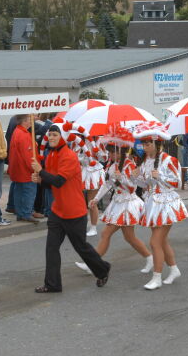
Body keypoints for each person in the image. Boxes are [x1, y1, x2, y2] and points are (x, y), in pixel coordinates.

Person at [32, 120, 110, 293]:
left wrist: (41, 172)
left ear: (62, 137)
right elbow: (51, 184)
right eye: (50, 134)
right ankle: (52, 284)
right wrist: (40, 180)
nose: (51, 137)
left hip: (74, 211)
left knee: (81, 247)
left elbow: (59, 181)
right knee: (51, 247)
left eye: (55, 134)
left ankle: (102, 269)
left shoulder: (69, 156)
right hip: (57, 210)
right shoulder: (51, 154)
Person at [75, 124, 152, 275]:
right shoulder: (113, 166)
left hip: (128, 204)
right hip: (117, 203)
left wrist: (121, 177)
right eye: (110, 152)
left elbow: (133, 187)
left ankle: (93, 264)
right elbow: (107, 184)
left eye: (112, 152)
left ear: (121, 151)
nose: (110, 155)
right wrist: (96, 199)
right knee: (129, 237)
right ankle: (149, 258)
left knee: (107, 233)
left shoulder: (129, 165)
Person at [132, 121, 188, 290]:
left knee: (155, 242)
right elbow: (145, 185)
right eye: (143, 143)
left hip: (166, 204)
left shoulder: (169, 160)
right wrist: (135, 178)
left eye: (148, 143)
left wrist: (160, 176)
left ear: (157, 143)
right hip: (152, 204)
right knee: (161, 242)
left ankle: (156, 277)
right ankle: (174, 269)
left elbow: (177, 183)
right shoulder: (145, 161)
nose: (144, 147)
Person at [8, 115, 40, 223]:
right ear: (25, 121)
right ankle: (26, 213)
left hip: (17, 169)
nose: (31, 122)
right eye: (30, 120)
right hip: (25, 170)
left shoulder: (17, 132)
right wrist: (35, 169)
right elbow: (28, 156)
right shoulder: (24, 135)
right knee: (29, 191)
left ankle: (20, 213)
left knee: (19, 191)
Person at [81, 137, 107, 237]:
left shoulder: (99, 141)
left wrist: (98, 153)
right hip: (81, 170)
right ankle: (78, 225)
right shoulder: (77, 140)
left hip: (94, 172)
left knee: (92, 201)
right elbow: (74, 156)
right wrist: (82, 155)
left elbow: (105, 158)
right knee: (78, 200)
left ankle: (93, 227)